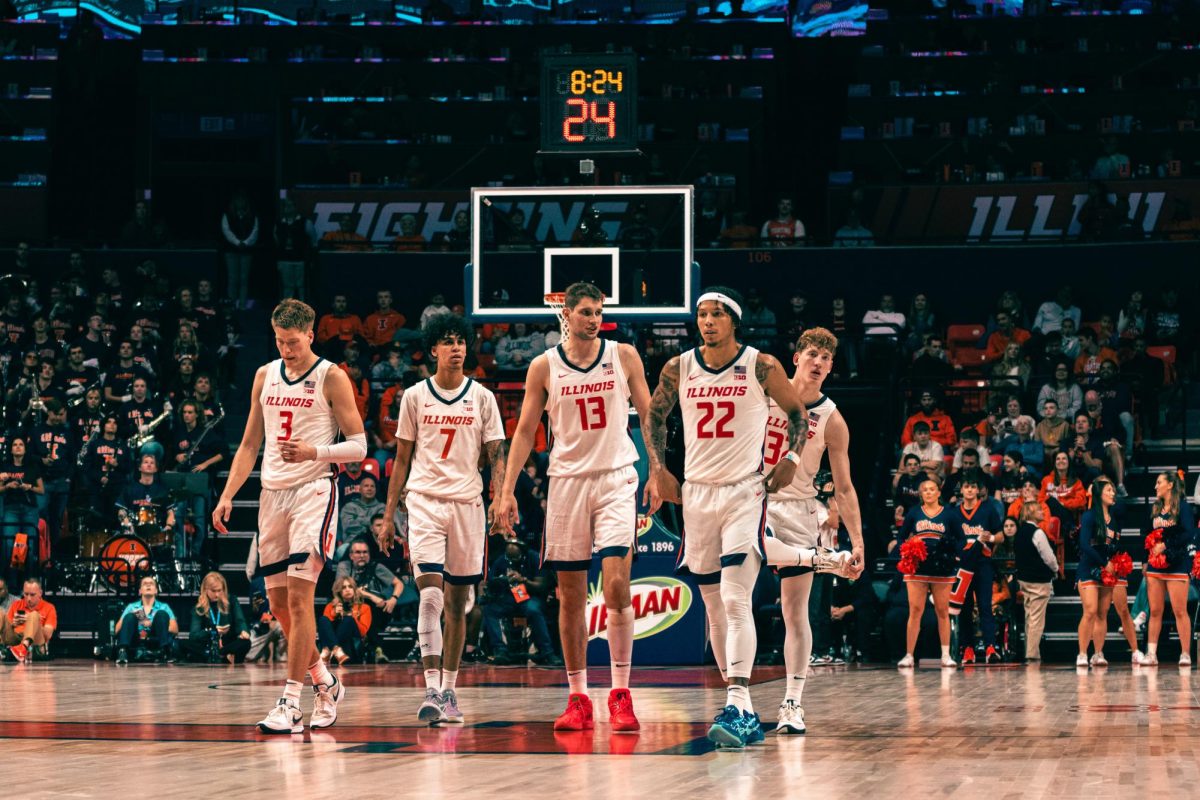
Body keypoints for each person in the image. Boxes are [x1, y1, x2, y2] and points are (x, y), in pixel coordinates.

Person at [643, 286, 817, 749]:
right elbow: (654, 416)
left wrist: (792, 460)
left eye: (717, 313)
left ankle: (738, 704)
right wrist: (658, 469)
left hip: (745, 490)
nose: (707, 321)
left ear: (734, 320)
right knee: (713, 608)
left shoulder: (761, 365)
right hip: (697, 495)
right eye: (702, 314)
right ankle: (737, 704)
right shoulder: (678, 367)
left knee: (736, 597)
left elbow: (799, 415)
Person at [493, 281, 660, 735]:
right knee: (568, 595)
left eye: (598, 311)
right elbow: (525, 431)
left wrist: (659, 471)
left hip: (615, 476)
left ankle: (621, 694)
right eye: (585, 311)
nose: (593, 318)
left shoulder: (623, 355)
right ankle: (579, 697)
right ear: (566, 315)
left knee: (617, 586)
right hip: (566, 481)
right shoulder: (543, 366)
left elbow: (648, 416)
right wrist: (507, 489)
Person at [212, 299, 366, 734]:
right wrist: (227, 495)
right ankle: (325, 682)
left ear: (311, 335)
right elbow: (248, 445)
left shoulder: (331, 377)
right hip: (271, 495)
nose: (287, 350)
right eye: (280, 341)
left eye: (294, 342)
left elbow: (359, 446)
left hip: (314, 491)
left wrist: (314, 452)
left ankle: (290, 702)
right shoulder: (264, 375)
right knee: (277, 605)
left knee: (300, 600)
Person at [378, 313, 507, 725]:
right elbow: (401, 459)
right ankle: (431, 688)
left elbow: (497, 456)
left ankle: (449, 690)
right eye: (447, 342)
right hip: (425, 501)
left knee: (458, 604)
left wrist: (500, 498)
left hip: (466, 504)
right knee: (431, 596)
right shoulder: (415, 395)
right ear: (433, 349)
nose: (456, 348)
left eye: (461, 342)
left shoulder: (483, 398)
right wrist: (386, 514)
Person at [758, 327, 863, 733]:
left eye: (826, 358)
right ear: (796, 356)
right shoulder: (765, 390)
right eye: (813, 354)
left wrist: (859, 541)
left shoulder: (832, 420)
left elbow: (845, 487)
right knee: (731, 600)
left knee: (794, 613)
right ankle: (821, 560)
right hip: (754, 499)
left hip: (799, 509)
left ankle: (792, 703)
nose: (819, 362)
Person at [896, 478, 964, 668]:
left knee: (942, 611)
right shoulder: (914, 513)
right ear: (921, 494)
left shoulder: (949, 514)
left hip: (941, 568)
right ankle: (909, 655)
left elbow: (961, 539)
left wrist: (954, 555)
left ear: (938, 492)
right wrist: (908, 549)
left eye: (932, 489)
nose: (928, 492)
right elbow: (901, 536)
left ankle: (945, 655)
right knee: (915, 611)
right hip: (918, 567)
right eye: (924, 490)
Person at [1076, 477, 1142, 667]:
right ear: (1098, 494)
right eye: (1108, 490)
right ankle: (1082, 654)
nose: (1113, 493)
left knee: (1102, 613)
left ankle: (1097, 653)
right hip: (1090, 567)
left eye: (1113, 490)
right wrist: (1104, 563)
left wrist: (1111, 564)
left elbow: (1123, 504)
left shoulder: (1115, 516)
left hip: (1109, 568)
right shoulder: (1089, 516)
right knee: (1090, 609)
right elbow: (1084, 545)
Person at [1143, 472, 1196, 666]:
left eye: (1159, 483)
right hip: (1156, 566)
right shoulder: (1155, 508)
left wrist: (1165, 545)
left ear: (1170, 485)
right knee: (1155, 610)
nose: (1156, 487)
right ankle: (1151, 653)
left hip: (1177, 564)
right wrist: (1145, 560)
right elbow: (1146, 534)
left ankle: (1185, 653)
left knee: (1179, 610)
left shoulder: (1183, 507)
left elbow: (1189, 533)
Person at [954, 471, 1005, 665]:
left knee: (985, 606)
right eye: (966, 486)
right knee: (965, 608)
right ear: (962, 489)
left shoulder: (988, 509)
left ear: (978, 490)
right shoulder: (954, 512)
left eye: (973, 487)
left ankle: (991, 646)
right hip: (963, 565)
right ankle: (968, 649)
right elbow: (950, 539)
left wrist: (990, 538)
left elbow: (1000, 536)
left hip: (983, 564)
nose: (969, 490)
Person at [334, 537, 412, 662]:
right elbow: (341, 589)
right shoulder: (345, 566)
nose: (362, 555)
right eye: (358, 552)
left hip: (377, 612)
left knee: (368, 607)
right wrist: (371, 596)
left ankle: (373, 648)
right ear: (351, 555)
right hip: (350, 609)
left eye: (365, 552)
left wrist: (393, 598)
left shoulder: (376, 567)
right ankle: (377, 648)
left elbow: (399, 583)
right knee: (364, 607)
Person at [482, 540, 557, 664]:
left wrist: (523, 580)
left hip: (530, 596)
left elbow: (541, 586)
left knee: (533, 610)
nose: (511, 561)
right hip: (510, 597)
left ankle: (547, 652)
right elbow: (490, 582)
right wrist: (501, 581)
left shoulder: (533, 557)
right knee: (490, 609)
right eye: (509, 557)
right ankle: (500, 650)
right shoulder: (501, 560)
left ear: (522, 552)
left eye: (515, 558)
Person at [1014, 506, 1057, 661]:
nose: (1043, 511)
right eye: (1038, 510)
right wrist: (1056, 568)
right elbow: (1048, 557)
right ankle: (1032, 654)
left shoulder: (1019, 532)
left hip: (1024, 579)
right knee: (1036, 619)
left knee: (1029, 617)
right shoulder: (1037, 532)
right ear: (1030, 513)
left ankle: (1031, 651)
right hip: (1039, 580)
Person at [0, 436, 44, 587]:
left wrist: (29, 487)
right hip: (11, 508)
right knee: (9, 547)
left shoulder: (32, 466)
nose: (18, 447)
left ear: (25, 449)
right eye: (15, 444)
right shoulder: (4, 466)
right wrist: (7, 487)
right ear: (11, 449)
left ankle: (28, 583)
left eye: (21, 445)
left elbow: (41, 490)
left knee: (29, 548)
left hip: (29, 509)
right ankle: (12, 584)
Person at [187, 571, 251, 664]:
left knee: (246, 643)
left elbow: (240, 621)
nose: (217, 594)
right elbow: (193, 636)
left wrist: (244, 632)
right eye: (213, 591)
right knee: (182, 644)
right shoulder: (199, 608)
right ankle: (218, 656)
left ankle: (221, 654)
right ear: (205, 590)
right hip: (208, 646)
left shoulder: (232, 601)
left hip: (227, 645)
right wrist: (212, 631)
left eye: (219, 590)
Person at [114, 575, 178, 664]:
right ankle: (122, 652)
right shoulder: (132, 607)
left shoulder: (164, 607)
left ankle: (165, 651)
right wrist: (137, 616)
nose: (148, 585)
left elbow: (175, 629)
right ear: (140, 591)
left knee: (161, 614)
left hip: (155, 638)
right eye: (145, 584)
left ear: (156, 591)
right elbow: (117, 629)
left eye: (151, 584)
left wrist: (153, 624)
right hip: (136, 638)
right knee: (129, 616)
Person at [317, 576, 371, 666]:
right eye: (344, 587)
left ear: (354, 589)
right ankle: (336, 649)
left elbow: (363, 632)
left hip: (349, 650)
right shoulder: (330, 606)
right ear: (339, 591)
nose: (347, 590)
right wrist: (334, 614)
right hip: (338, 656)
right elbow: (325, 629)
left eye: (350, 587)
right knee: (323, 619)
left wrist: (351, 616)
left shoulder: (364, 607)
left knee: (348, 620)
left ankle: (329, 650)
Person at [0, 578, 56, 662]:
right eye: (26, 594)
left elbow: (47, 635)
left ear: (40, 593)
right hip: (16, 639)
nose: (28, 598)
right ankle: (17, 650)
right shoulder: (17, 604)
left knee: (34, 615)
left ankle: (23, 648)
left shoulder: (49, 607)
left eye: (32, 595)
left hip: (35, 642)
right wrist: (13, 624)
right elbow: (7, 630)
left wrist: (32, 620)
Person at [220, 191, 258, 310]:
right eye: (238, 199)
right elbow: (226, 230)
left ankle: (242, 305)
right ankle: (231, 305)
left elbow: (255, 231)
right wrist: (237, 242)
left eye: (242, 200)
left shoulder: (252, 215)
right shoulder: (228, 215)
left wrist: (246, 243)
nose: (240, 202)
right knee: (233, 278)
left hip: (246, 251)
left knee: (243, 278)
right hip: (231, 251)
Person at [273, 198, 310, 301]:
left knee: (301, 286)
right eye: (286, 206)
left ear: (295, 207)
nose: (288, 208)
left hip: (300, 260)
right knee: (287, 286)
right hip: (285, 260)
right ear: (283, 208)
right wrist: (279, 261)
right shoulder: (279, 223)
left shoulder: (304, 222)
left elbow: (313, 240)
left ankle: (303, 307)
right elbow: (276, 243)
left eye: (290, 206)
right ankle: (287, 308)